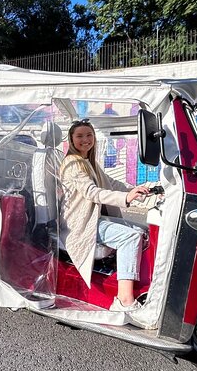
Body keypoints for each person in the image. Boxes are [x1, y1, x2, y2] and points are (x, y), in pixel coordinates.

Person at [59, 119, 150, 312]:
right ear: (71, 139)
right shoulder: (72, 163)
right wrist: (127, 197)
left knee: (143, 230)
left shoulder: (88, 162)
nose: (85, 139)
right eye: (80, 136)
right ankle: (124, 299)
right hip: (81, 223)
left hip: (94, 218)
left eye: (89, 135)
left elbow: (111, 183)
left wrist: (137, 190)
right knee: (130, 237)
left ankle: (132, 278)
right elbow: (92, 192)